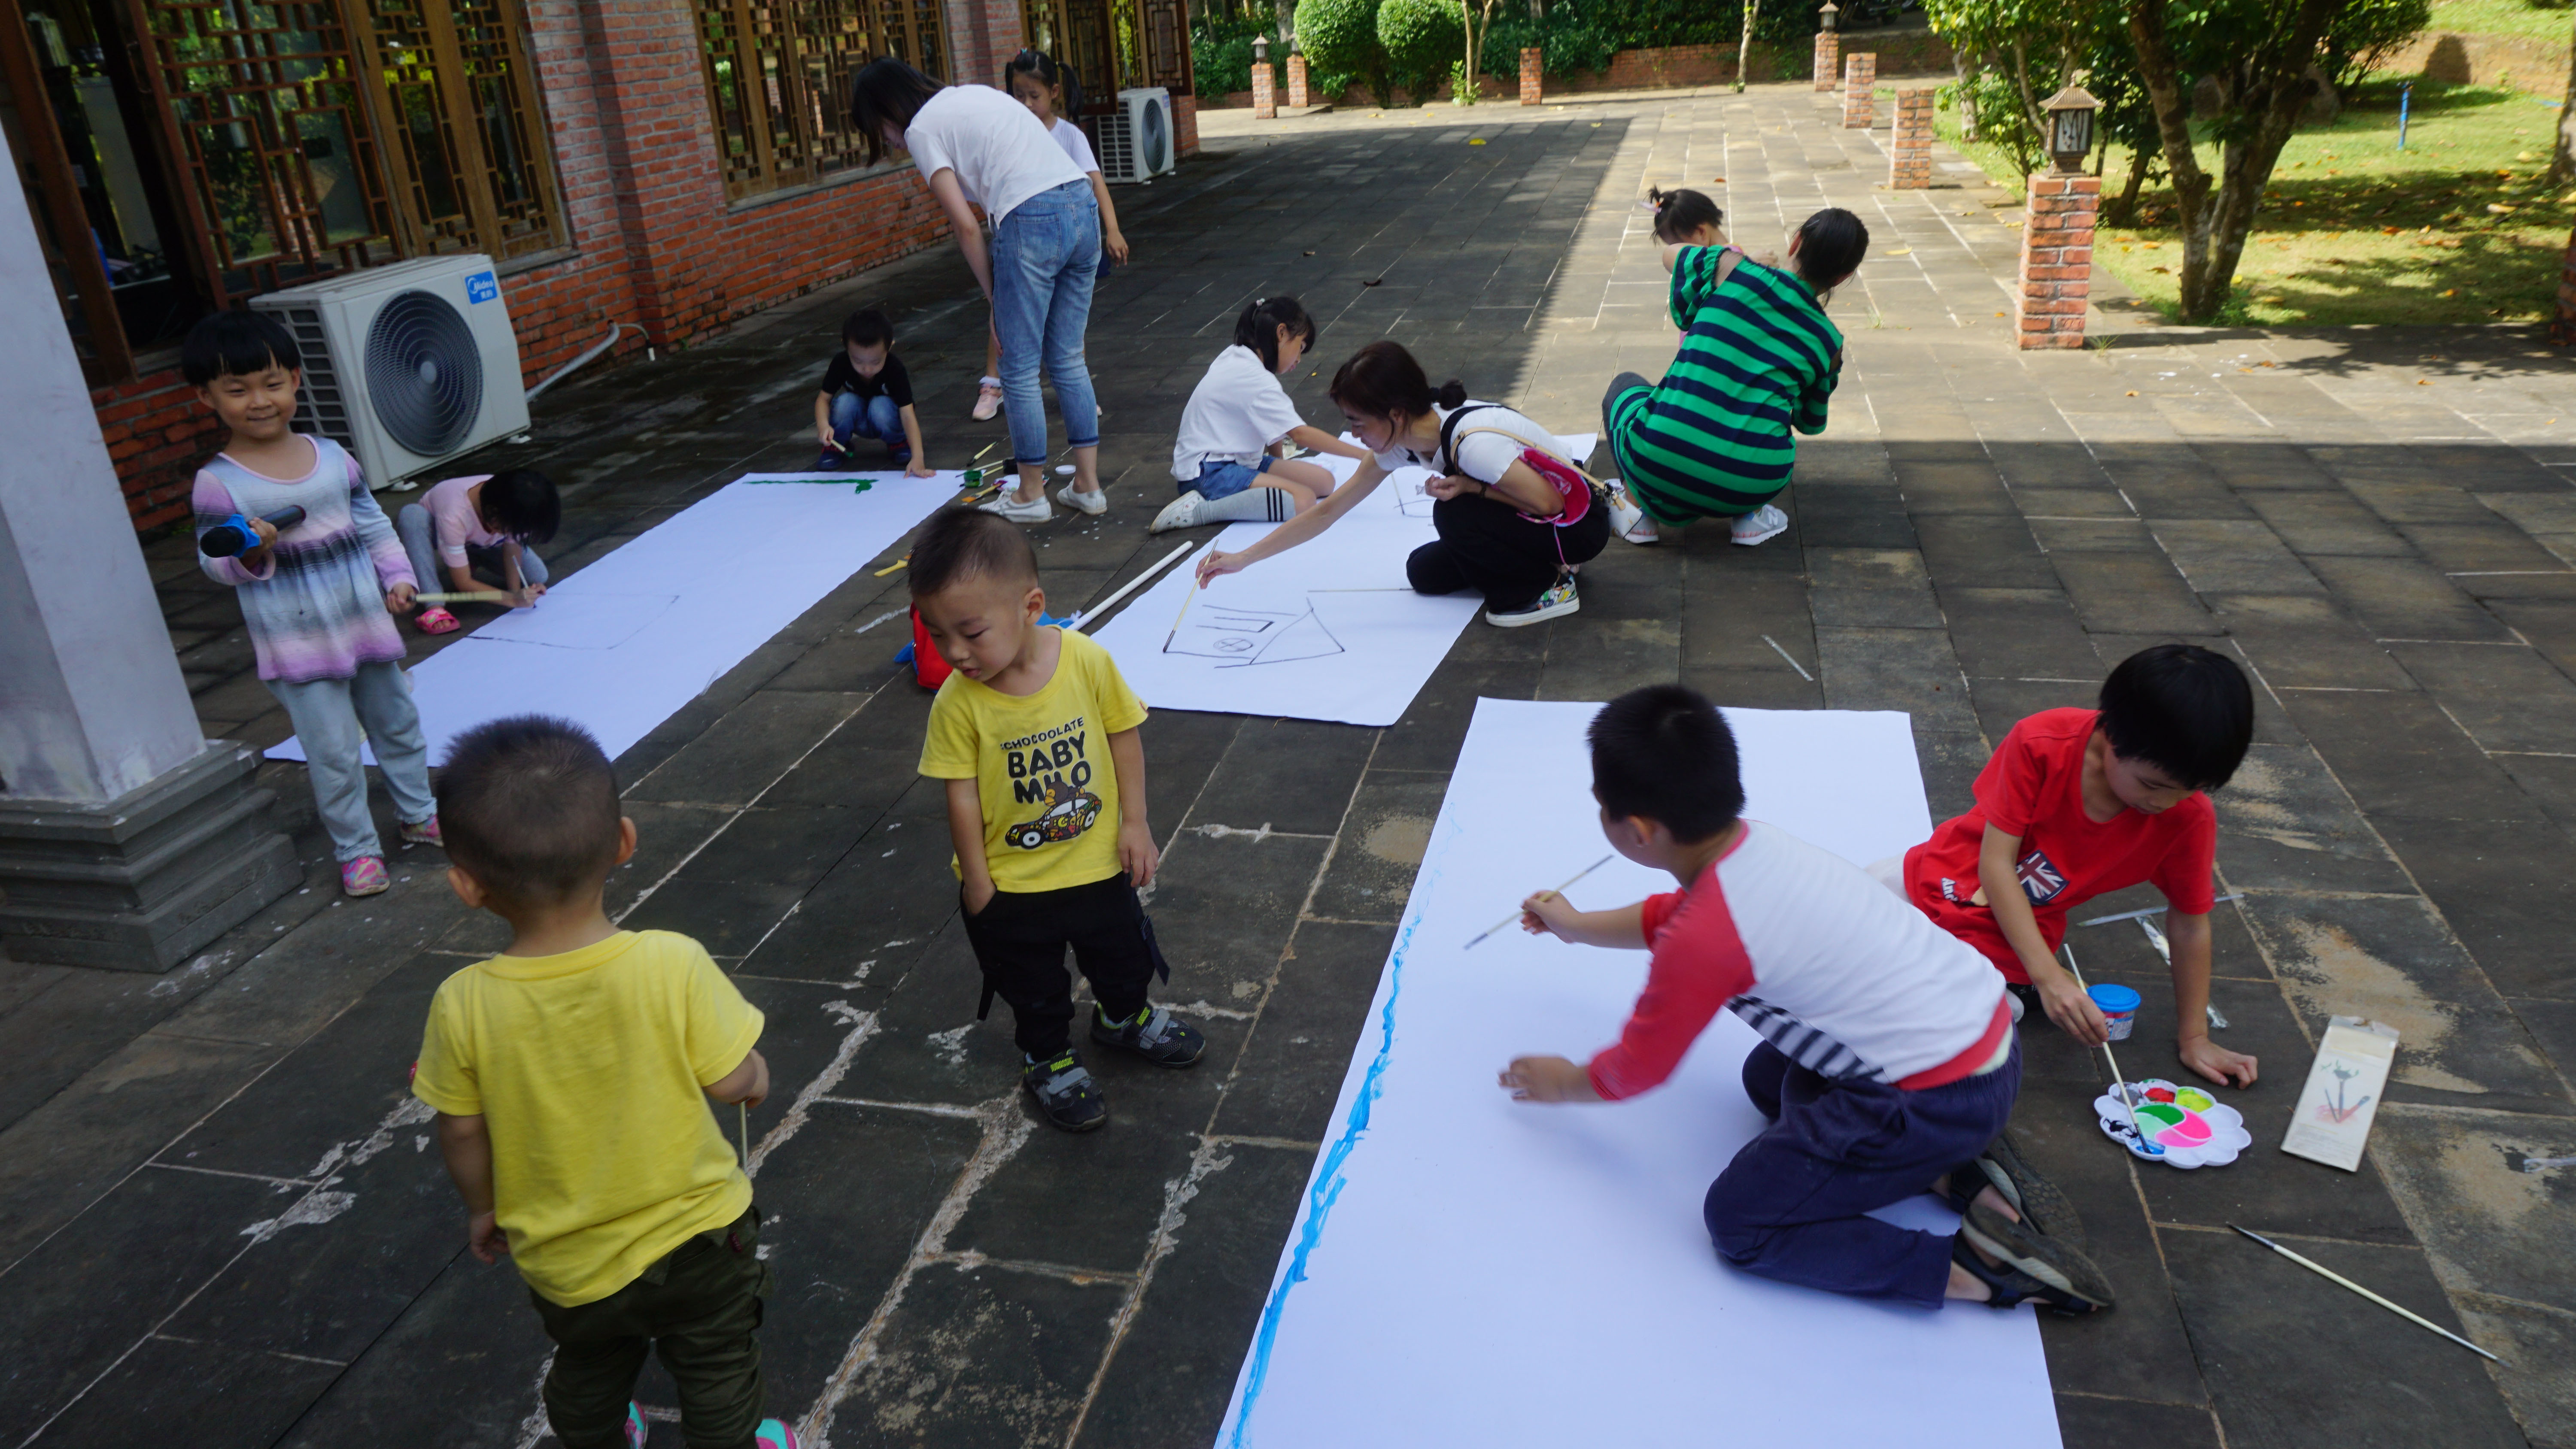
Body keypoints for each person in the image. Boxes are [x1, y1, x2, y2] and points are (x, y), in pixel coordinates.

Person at [1499, 685, 2114, 1315]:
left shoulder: (1705, 937)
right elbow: (1669, 916)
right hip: (1987, 1042)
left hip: (1937, 1096)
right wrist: (1576, 926)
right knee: (1767, 1082)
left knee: (1740, 1222)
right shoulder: (1751, 845)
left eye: (1600, 804)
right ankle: (1949, 1168)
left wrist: (1567, 1082)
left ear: (1636, 831)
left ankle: (1975, 1271)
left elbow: (1640, 1065)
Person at [413, 716, 799, 1449]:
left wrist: (483, 1207)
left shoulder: (462, 1003)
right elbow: (731, 1080)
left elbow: (460, 1128)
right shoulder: (670, 962)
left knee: (589, 1363)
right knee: (718, 1363)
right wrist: (757, 1075)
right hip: (701, 1237)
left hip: (566, 1256)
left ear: (466, 885)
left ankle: (598, 1435)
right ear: (624, 841)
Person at [911, 509, 1206, 1131]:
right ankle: (1047, 1056)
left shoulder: (1085, 660)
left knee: (1124, 956)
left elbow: (1123, 735)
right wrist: (978, 882)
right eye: (938, 636)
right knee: (1032, 983)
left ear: (1031, 606)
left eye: (971, 632)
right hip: (1014, 883)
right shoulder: (958, 704)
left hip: (1098, 862)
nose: (956, 653)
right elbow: (961, 797)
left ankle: (1122, 1018)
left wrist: (1135, 823)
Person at [1883, 645, 2261, 1089]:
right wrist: (2051, 979)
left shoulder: (2187, 818)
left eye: (2191, 789)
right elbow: (1996, 864)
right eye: (2152, 784)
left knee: (1932, 1021)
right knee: (1836, 926)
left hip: (2006, 942)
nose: (2165, 802)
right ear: (2111, 734)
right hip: (1933, 876)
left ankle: (2005, 996)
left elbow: (2190, 924)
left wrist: (2195, 1037)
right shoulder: (2043, 742)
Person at [186, 309, 437, 899]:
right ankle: (357, 850)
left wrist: (398, 575)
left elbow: (372, 524)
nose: (259, 401)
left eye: (272, 383)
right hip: (297, 640)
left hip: (364, 622)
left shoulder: (334, 457)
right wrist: (252, 550)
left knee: (398, 723)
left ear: (295, 380)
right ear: (206, 397)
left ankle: (419, 814)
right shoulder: (219, 483)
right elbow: (213, 561)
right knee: (332, 751)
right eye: (237, 390)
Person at [1193, 341, 1609, 628]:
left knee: (1453, 514)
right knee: (1423, 573)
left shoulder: (1472, 444)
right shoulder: (1402, 442)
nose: (1354, 434)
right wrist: (1243, 558)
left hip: (1579, 524)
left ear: (1395, 414)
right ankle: (1541, 563)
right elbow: (1328, 511)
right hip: (1535, 518)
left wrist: (1471, 489)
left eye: (1358, 423)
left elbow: (1551, 502)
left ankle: (1548, 588)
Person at [851, 58, 1102, 522]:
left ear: (887, 110)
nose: (889, 142)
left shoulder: (922, 129)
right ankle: (1088, 486)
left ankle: (1031, 494)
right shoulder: (972, 94)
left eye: (881, 131)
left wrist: (995, 299)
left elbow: (966, 226)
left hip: (1031, 216)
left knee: (1018, 368)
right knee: (1068, 358)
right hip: (1082, 204)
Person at [1600, 206, 1868, 550]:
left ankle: (1636, 510)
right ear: (1843, 277)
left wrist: (1730, 258)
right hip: (1751, 483)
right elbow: (1810, 422)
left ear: (1796, 242)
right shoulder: (1830, 343)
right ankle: (1749, 518)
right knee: (1764, 419)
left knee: (1625, 387)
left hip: (1658, 460)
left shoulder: (1731, 269)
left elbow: (1671, 255)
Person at [972, 49, 1131, 424]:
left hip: (1066, 236)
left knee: (1068, 320)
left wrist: (1112, 228)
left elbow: (1096, 182)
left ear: (1054, 92)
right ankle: (993, 384)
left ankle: (1072, 386)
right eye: (1019, 95)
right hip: (1023, 239)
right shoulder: (1009, 134)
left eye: (1035, 96)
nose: (1027, 104)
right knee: (1005, 312)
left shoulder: (1069, 135)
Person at [1151, 295, 1372, 531]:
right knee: (1303, 500)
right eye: (1300, 348)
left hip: (1237, 460)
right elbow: (1300, 435)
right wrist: (1364, 455)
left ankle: (1247, 493)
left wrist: (1279, 468)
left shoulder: (1237, 355)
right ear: (1281, 333)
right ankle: (1198, 511)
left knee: (1325, 482)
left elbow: (1272, 428)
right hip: (1208, 473)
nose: (1299, 359)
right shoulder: (1256, 379)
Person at [395, 468, 559, 634]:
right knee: (412, 516)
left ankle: (469, 559)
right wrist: (513, 600)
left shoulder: (515, 505)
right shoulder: (456, 513)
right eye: (508, 529)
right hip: (442, 532)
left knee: (538, 576)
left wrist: (515, 591)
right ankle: (434, 605)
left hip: (479, 541)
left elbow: (512, 547)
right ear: (493, 514)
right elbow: (463, 583)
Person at [812, 306, 932, 476]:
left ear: (889, 347)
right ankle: (836, 445)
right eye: (858, 361)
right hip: (859, 420)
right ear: (846, 347)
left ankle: (898, 443)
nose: (867, 369)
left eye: (876, 362)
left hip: (887, 419)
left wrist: (918, 457)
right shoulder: (841, 363)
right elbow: (823, 399)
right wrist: (823, 425)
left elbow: (907, 413)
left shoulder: (894, 369)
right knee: (845, 402)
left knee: (880, 405)